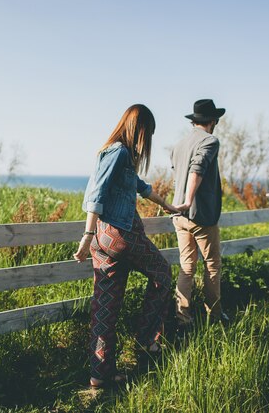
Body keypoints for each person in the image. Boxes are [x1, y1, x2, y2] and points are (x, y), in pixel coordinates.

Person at [73, 104, 179, 389]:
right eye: (149, 133)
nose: (148, 142)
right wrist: (86, 234)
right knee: (163, 274)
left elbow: (140, 186)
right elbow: (96, 193)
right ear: (140, 129)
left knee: (106, 306)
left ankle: (100, 374)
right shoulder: (118, 152)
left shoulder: (117, 155)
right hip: (118, 233)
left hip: (104, 240)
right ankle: (145, 340)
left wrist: (168, 205)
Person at [171, 98, 228, 330]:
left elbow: (178, 174)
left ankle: (182, 318)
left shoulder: (179, 144)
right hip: (200, 214)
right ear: (212, 121)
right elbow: (197, 168)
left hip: (178, 216)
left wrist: (181, 203)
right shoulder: (210, 141)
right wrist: (189, 200)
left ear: (194, 121)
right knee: (212, 265)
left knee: (187, 266)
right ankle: (214, 316)